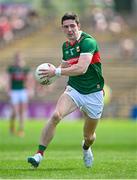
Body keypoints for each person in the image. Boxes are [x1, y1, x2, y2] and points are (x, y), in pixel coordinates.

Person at [28, 12, 104, 168]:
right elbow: (63, 67)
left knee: (89, 136)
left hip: (94, 93)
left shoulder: (88, 42)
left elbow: (81, 68)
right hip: (74, 89)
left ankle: (86, 147)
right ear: (62, 29)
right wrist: (49, 79)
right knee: (56, 115)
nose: (69, 29)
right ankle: (39, 155)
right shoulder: (66, 46)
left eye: (72, 26)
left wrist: (55, 72)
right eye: (66, 27)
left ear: (78, 26)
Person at [6, 51, 31, 137]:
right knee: (15, 111)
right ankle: (12, 125)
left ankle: (21, 129)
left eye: (19, 58)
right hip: (14, 91)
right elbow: (9, 80)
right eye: (17, 58)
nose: (18, 60)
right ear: (15, 59)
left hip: (22, 90)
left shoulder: (25, 68)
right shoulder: (11, 68)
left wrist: (29, 90)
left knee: (22, 111)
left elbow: (28, 80)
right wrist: (8, 90)